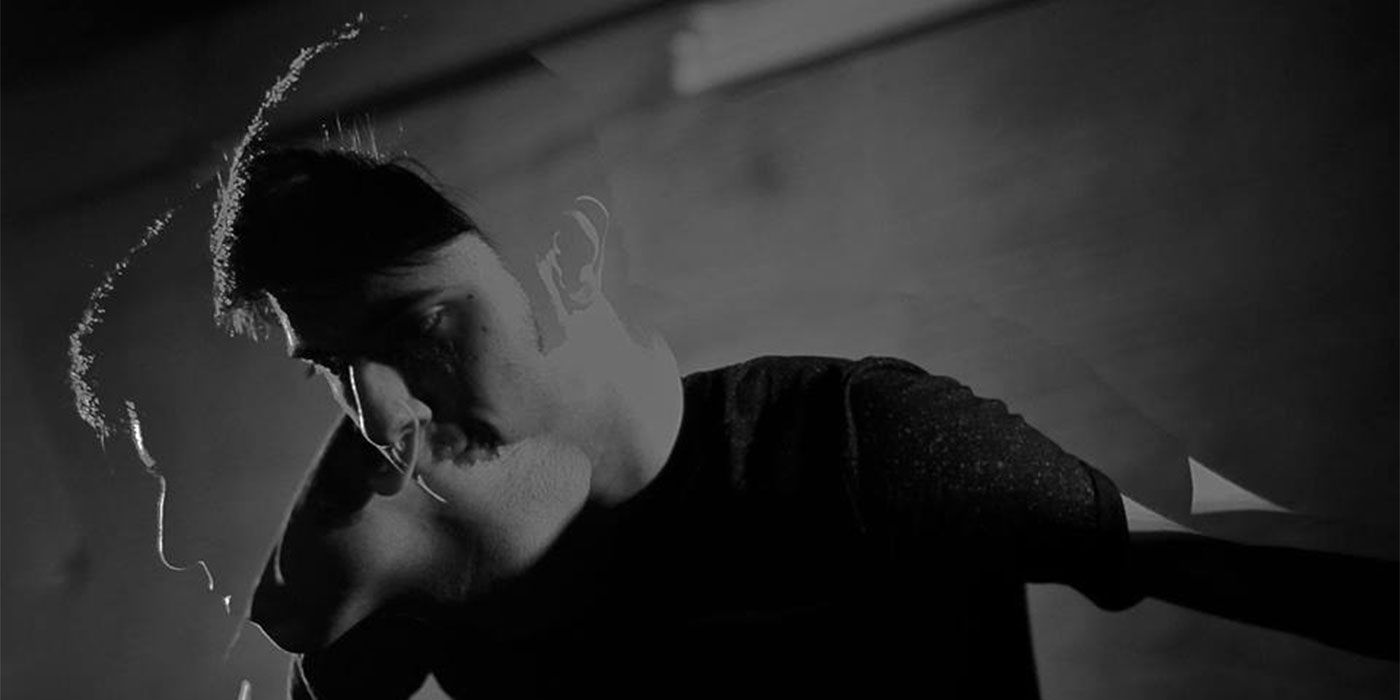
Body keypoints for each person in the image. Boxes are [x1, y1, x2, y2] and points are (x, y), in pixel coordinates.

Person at [227, 139, 1394, 698]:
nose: (379, 415)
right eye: (331, 368)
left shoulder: (853, 443)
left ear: (564, 265)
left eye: (418, 329)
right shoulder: (420, 559)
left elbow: (1233, 561)